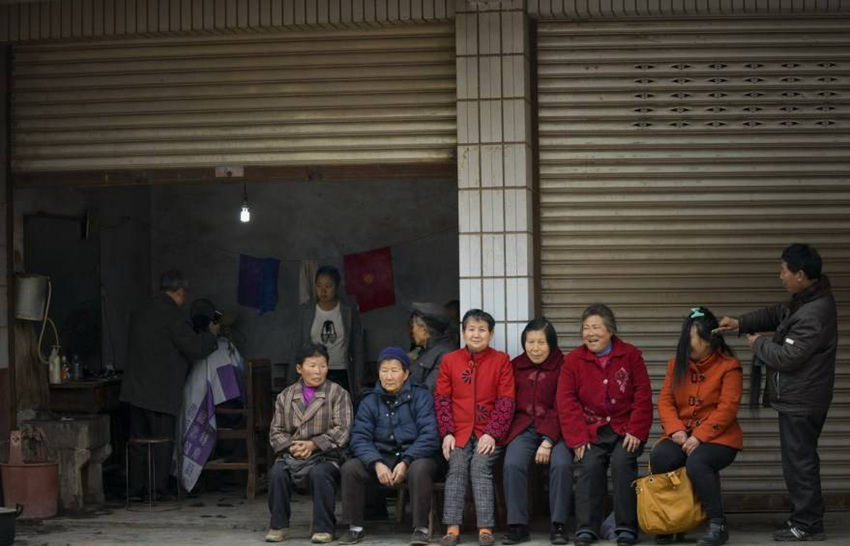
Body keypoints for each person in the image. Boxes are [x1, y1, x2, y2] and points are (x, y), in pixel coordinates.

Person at [718, 243, 837, 542]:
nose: (779, 275)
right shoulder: (807, 298)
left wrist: (757, 343)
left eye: (784, 270)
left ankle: (807, 523)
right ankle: (806, 519)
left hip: (802, 400)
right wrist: (741, 323)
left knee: (800, 463)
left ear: (800, 274)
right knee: (800, 459)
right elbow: (777, 314)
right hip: (802, 397)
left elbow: (786, 357)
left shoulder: (813, 313)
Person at [557, 304, 653, 546]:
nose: (591, 333)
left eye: (596, 327)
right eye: (586, 328)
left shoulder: (631, 355)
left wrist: (636, 430)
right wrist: (578, 437)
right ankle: (587, 527)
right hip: (592, 430)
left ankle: (626, 527)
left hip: (625, 429)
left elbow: (643, 395)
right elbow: (566, 402)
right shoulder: (573, 361)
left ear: (610, 330)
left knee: (623, 463)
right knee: (590, 466)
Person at [120, 269, 219, 501]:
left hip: (134, 390)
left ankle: (135, 491)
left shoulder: (141, 309)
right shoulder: (172, 314)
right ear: (180, 292)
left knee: (138, 442)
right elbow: (195, 348)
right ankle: (156, 491)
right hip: (159, 392)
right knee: (162, 442)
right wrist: (211, 334)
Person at [652, 307, 743, 546]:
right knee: (660, 456)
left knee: (698, 461)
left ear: (709, 340)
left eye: (691, 339)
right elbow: (665, 400)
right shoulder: (676, 364)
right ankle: (670, 521)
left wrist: (700, 436)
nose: (687, 345)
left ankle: (718, 524)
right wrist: (676, 429)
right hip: (682, 434)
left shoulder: (729, 366)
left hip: (719, 438)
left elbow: (728, 409)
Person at [340, 347, 442, 546]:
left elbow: (430, 435)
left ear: (405, 374)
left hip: (416, 457)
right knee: (350, 468)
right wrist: (376, 462)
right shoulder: (369, 400)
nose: (388, 376)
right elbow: (359, 438)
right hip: (381, 458)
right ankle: (355, 528)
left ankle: (420, 528)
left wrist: (406, 461)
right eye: (384, 370)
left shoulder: (421, 397)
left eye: (394, 370)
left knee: (419, 469)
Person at [434, 309, 516, 546]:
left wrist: (492, 433)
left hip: (488, 432)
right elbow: (441, 400)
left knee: (480, 466)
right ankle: (452, 529)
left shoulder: (501, 360)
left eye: (482, 330)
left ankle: (485, 529)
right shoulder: (450, 360)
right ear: (463, 332)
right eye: (471, 329)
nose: (476, 334)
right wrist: (447, 432)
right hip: (458, 432)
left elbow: (506, 401)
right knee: (457, 466)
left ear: (491, 334)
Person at [266, 343, 353, 544]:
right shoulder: (285, 396)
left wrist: (313, 445)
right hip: (293, 455)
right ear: (299, 368)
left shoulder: (338, 394)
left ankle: (324, 528)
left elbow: (343, 430)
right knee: (277, 473)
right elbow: (275, 431)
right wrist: (292, 447)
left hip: (326, 455)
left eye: (322, 366)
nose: (318, 371)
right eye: (312, 366)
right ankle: (278, 526)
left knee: (320, 473)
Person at [503, 318, 572, 545]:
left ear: (551, 343)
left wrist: (549, 440)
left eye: (541, 342)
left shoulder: (564, 365)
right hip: (524, 427)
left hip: (559, 429)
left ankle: (558, 525)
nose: (535, 348)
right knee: (512, 463)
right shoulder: (515, 365)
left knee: (561, 464)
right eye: (530, 342)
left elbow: (564, 406)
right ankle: (518, 525)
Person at [289, 265, 365, 395]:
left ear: (337, 287)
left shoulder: (348, 310)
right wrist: (291, 379)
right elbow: (297, 345)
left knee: (340, 410)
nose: (323, 291)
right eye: (319, 286)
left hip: (341, 371)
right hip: (313, 371)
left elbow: (357, 346)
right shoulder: (306, 311)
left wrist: (359, 377)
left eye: (328, 286)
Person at [409, 302, 457, 391]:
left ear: (424, 330)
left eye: (413, 326)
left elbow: (428, 392)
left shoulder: (445, 355)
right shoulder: (426, 350)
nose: (412, 331)